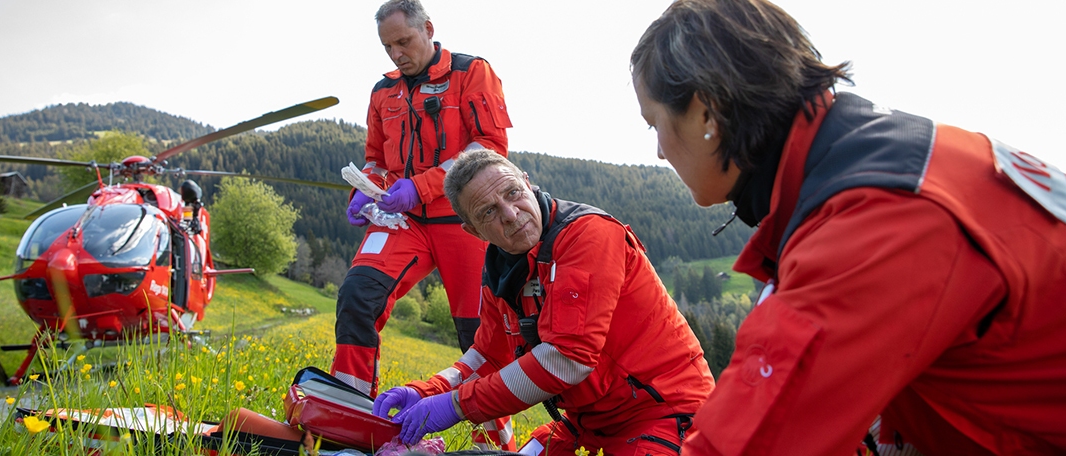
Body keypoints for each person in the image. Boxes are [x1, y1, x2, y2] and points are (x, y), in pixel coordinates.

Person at [630, 0, 1066, 454]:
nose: (660, 152)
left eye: (653, 124)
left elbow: (747, 445)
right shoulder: (876, 160)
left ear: (707, 114)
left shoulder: (869, 220)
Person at [371, 149, 715, 455]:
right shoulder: (499, 273)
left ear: (527, 182)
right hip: (588, 424)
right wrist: (428, 391)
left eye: (513, 193)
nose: (510, 213)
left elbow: (568, 358)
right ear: (473, 231)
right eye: (488, 212)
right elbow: (488, 356)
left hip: (666, 416)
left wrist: (457, 405)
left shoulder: (587, 235)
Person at [333, 0, 514, 449]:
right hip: (403, 220)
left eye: (403, 41)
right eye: (387, 46)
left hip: (466, 220)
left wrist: (423, 185)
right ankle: (349, 423)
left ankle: (492, 445)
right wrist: (364, 188)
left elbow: (490, 146)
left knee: (480, 337)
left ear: (428, 29)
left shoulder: (473, 73)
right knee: (358, 295)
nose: (395, 53)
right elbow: (376, 159)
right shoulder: (382, 92)